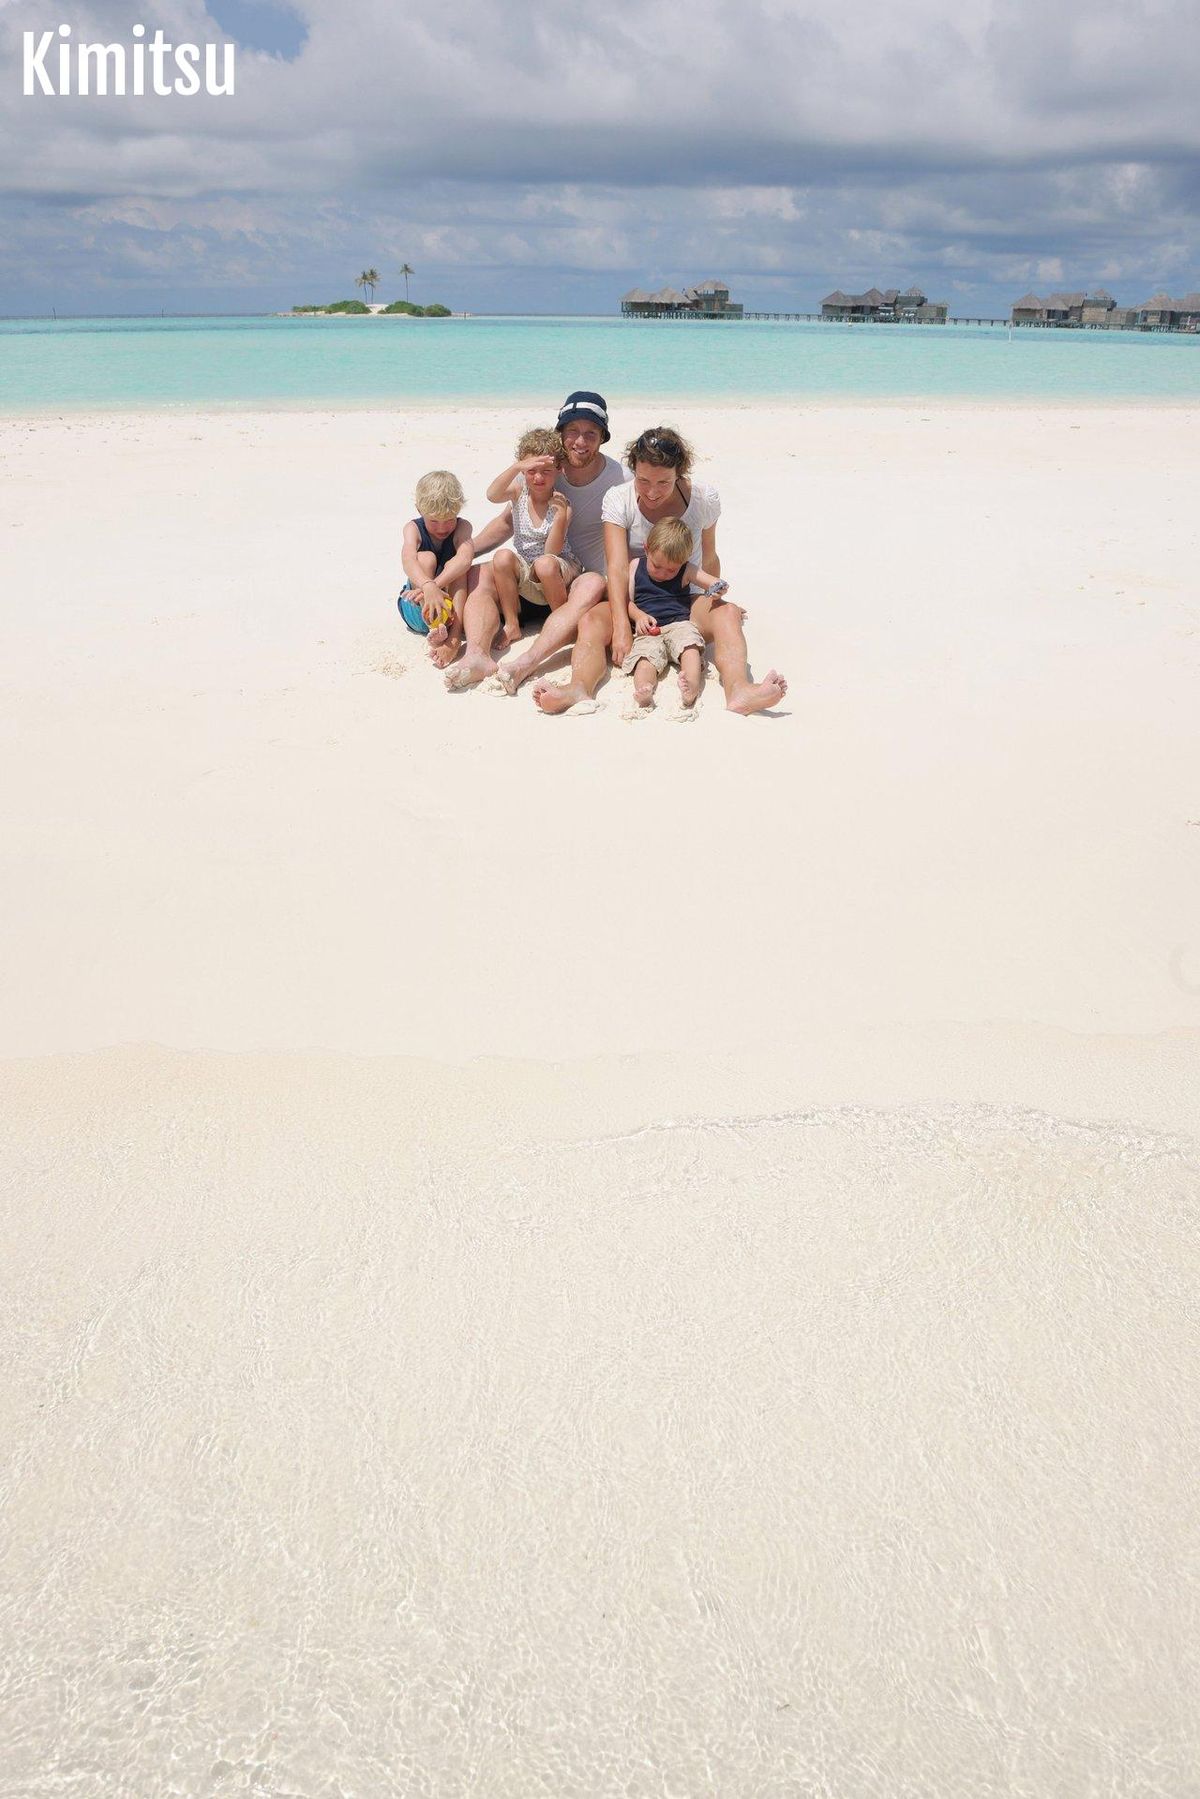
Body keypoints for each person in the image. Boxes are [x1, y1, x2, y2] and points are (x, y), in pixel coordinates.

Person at [530, 426, 787, 717]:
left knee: (727, 614)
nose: (652, 492)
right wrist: (622, 628)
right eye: (643, 481)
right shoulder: (619, 499)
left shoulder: (703, 498)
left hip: (685, 603)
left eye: (664, 482)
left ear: (680, 473)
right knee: (590, 619)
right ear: (633, 472)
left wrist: (713, 600)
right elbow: (615, 569)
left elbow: (710, 556)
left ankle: (739, 690)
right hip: (635, 604)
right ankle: (578, 688)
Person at [483, 391, 625, 696]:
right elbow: (507, 519)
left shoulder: (617, 477)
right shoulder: (540, 470)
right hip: (532, 576)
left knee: (582, 580)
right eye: (572, 432)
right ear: (560, 435)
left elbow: (635, 531)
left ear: (602, 437)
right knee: (491, 565)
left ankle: (531, 658)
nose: (580, 441)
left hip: (580, 578)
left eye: (591, 434)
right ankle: (478, 651)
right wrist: (467, 548)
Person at [488, 428, 581, 649]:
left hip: (557, 567)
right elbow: (492, 495)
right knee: (501, 557)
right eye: (531, 470)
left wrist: (559, 517)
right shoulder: (518, 493)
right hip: (528, 567)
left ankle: (562, 624)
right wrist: (517, 468)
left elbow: (552, 551)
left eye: (546, 471)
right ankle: (512, 625)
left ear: (559, 469)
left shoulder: (562, 504)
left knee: (545, 563)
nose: (538, 477)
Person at [623, 518, 730, 711]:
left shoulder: (687, 569)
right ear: (647, 549)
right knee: (645, 659)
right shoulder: (635, 566)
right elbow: (627, 602)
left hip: (679, 624)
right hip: (648, 629)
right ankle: (644, 690)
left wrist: (718, 589)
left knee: (691, 649)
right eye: (657, 566)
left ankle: (690, 688)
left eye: (672, 569)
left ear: (684, 560)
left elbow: (716, 582)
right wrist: (638, 616)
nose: (663, 573)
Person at [396, 470, 476, 671]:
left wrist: (434, 586)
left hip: (450, 610)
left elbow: (466, 558)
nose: (442, 527)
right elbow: (407, 559)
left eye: (449, 519)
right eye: (434, 520)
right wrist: (426, 586)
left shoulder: (463, 526)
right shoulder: (412, 528)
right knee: (425, 558)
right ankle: (435, 626)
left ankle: (454, 637)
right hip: (416, 607)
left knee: (457, 565)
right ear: (419, 510)